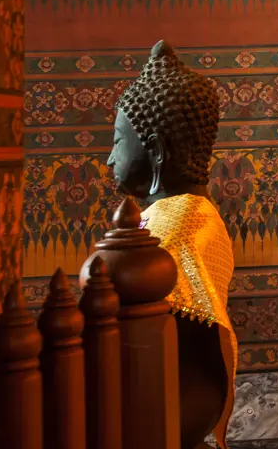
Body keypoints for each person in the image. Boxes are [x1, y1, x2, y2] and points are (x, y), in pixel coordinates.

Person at [106, 41, 236, 448]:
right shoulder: (196, 213)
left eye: (117, 141)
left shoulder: (169, 232)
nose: (110, 158)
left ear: (157, 152)